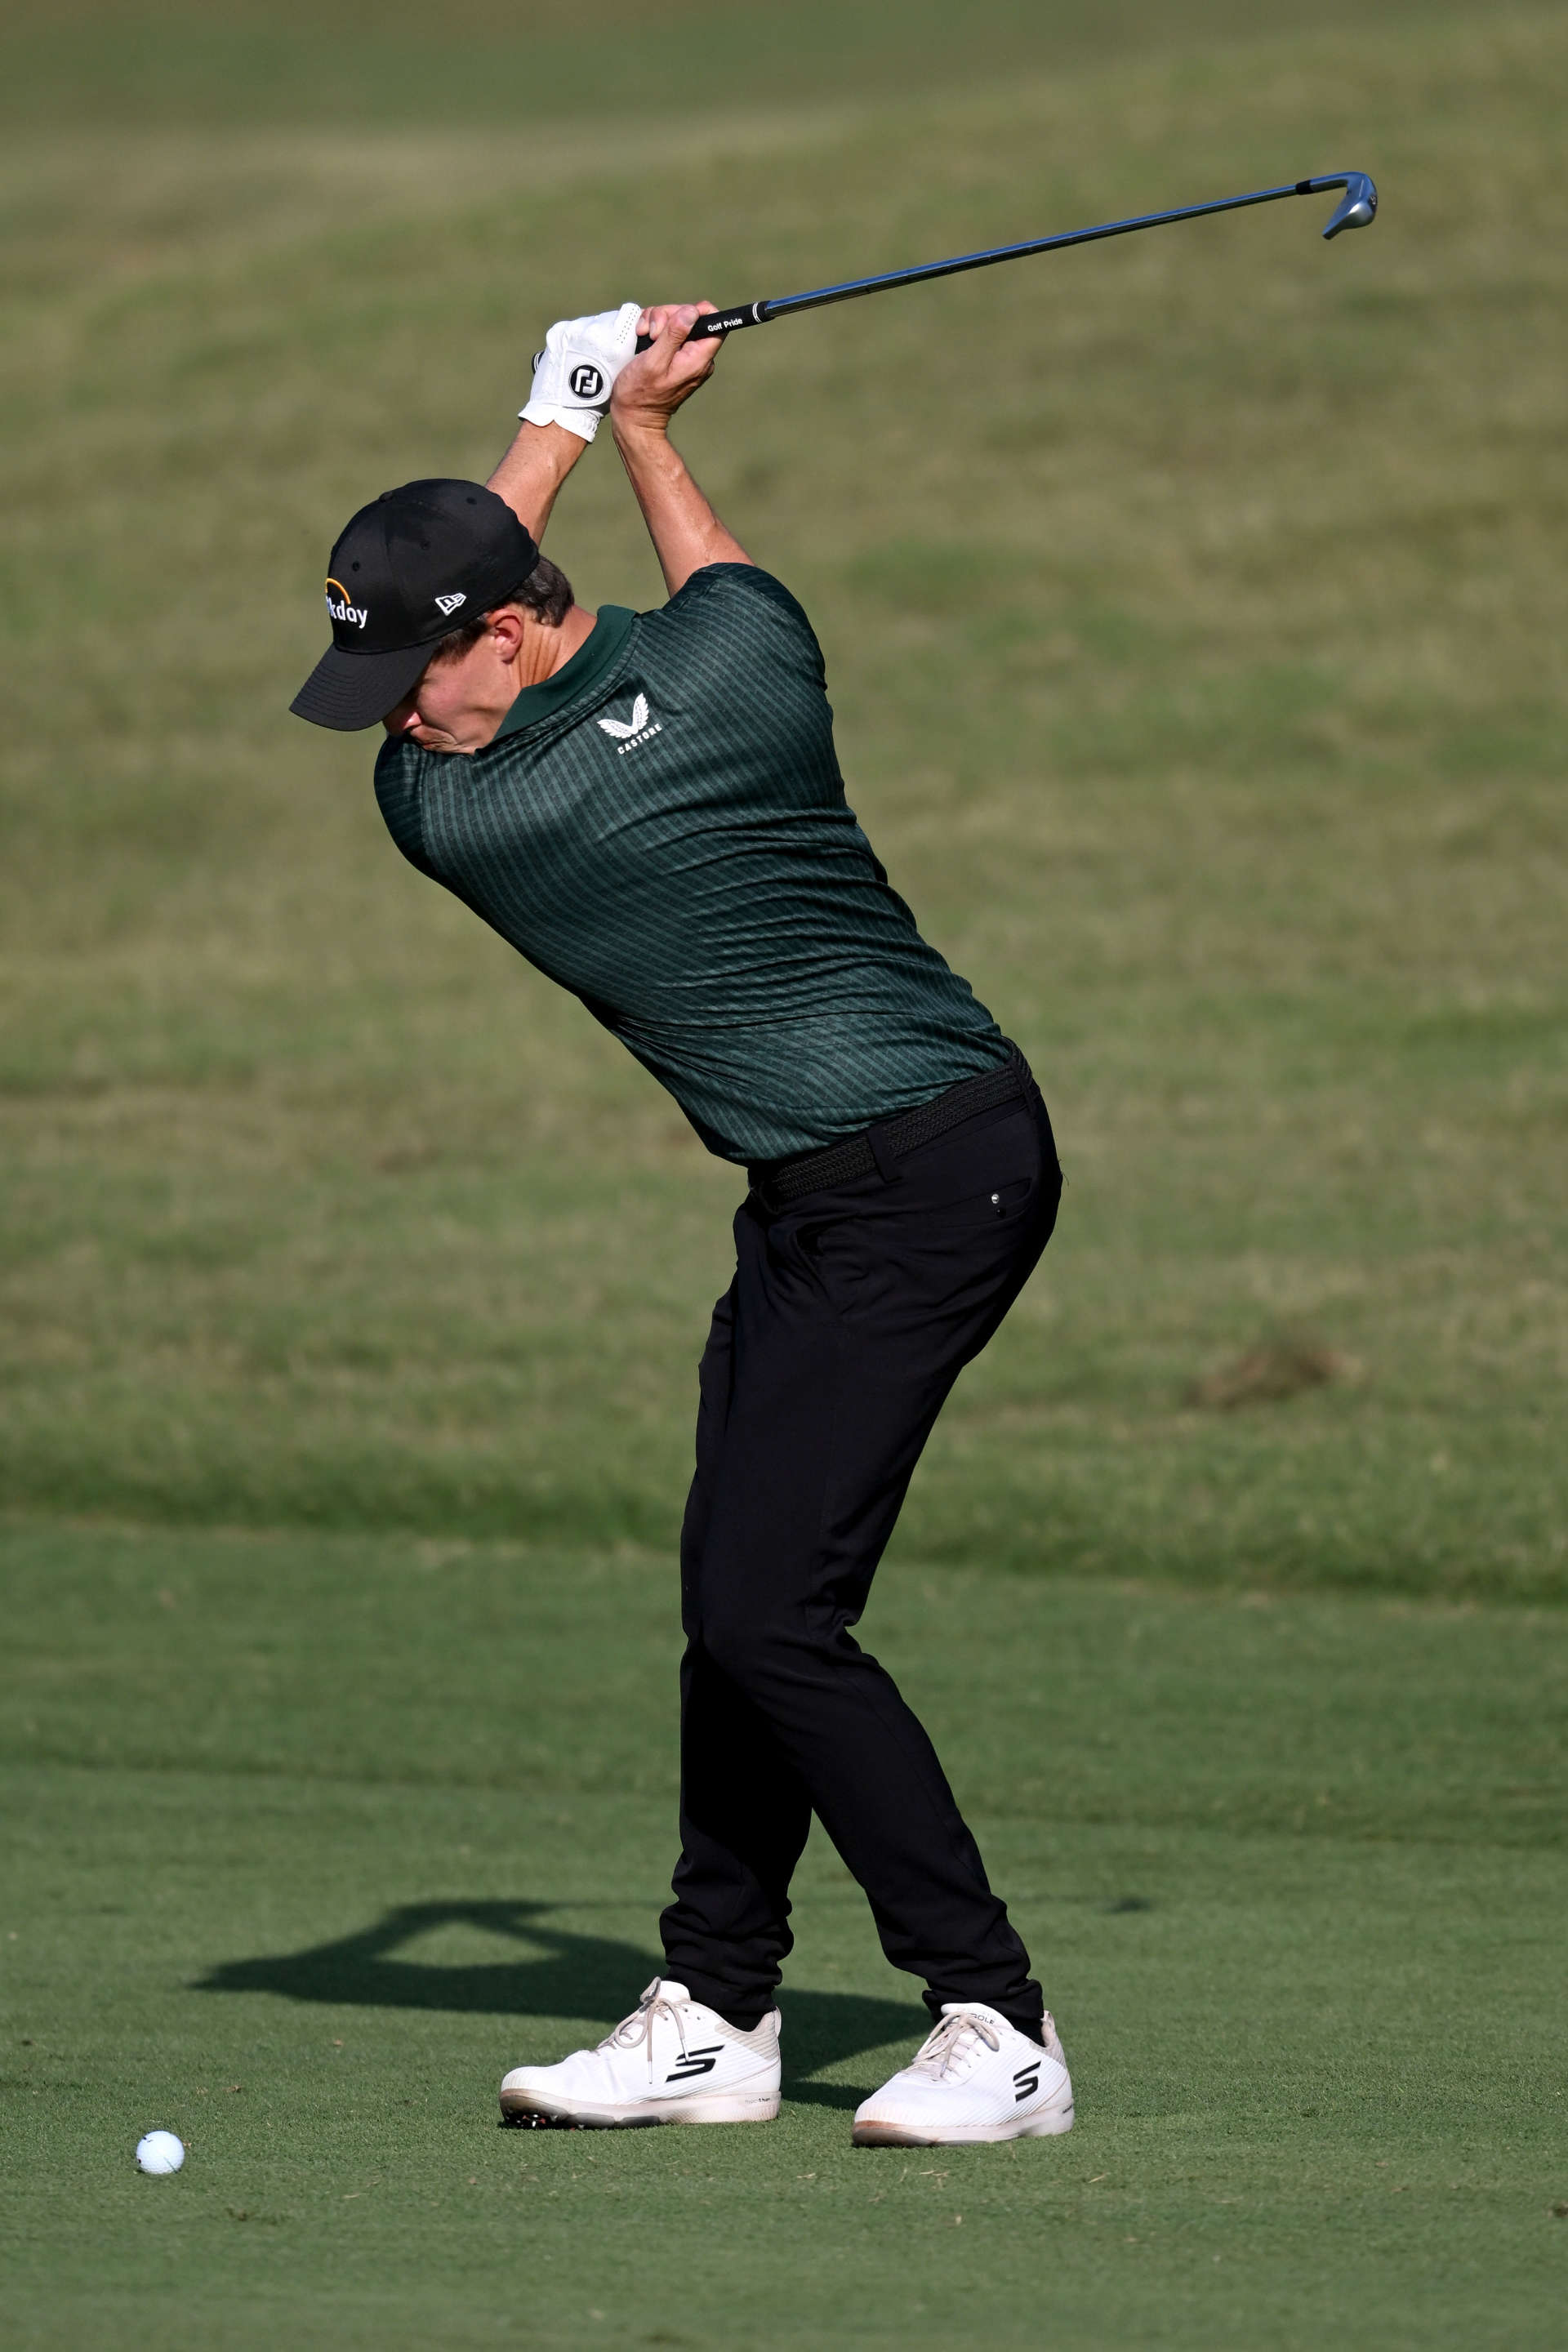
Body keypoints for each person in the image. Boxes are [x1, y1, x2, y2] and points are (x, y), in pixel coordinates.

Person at [290, 301, 1074, 2149]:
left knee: (770, 1614)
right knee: (741, 1606)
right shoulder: (751, 659)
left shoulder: (475, 808)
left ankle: (998, 2020)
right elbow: (706, 575)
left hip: (928, 1180)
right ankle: (716, 2009)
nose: (395, 725)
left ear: (504, 635)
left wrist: (562, 400)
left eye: (413, 675)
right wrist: (637, 420)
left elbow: (524, 589)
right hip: (843, 1185)